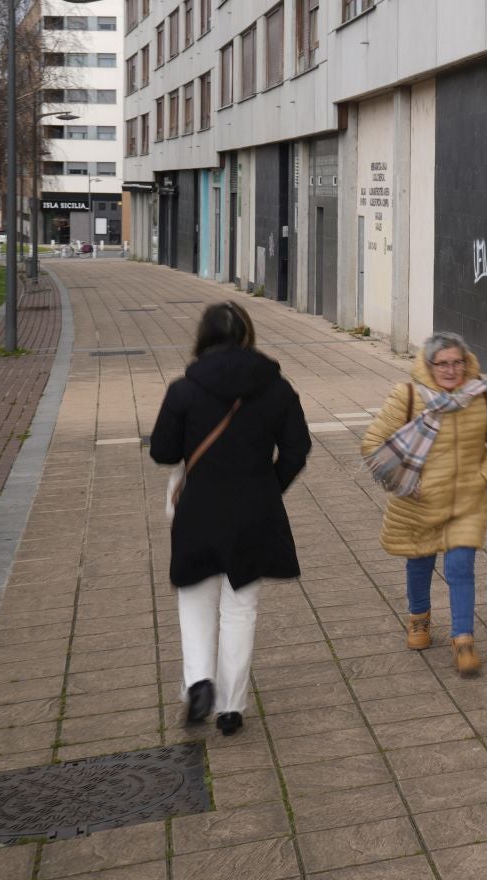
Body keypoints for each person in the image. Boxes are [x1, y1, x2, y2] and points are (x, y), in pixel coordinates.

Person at [149, 302, 309, 735]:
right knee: (241, 608)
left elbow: (162, 451)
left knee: (195, 596)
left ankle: (200, 680)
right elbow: (297, 449)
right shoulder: (277, 388)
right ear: (247, 336)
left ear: (203, 337)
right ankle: (232, 707)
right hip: (254, 511)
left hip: (199, 508)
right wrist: (269, 486)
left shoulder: (184, 389)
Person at [360, 331, 487, 675]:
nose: (450, 370)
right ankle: (419, 618)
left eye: (457, 362)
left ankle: (463, 639)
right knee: (420, 562)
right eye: (442, 363)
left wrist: (485, 477)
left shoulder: (483, 395)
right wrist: (406, 483)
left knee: (460, 566)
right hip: (419, 501)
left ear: (466, 362)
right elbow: (373, 444)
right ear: (429, 365)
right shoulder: (408, 395)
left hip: (467, 500)